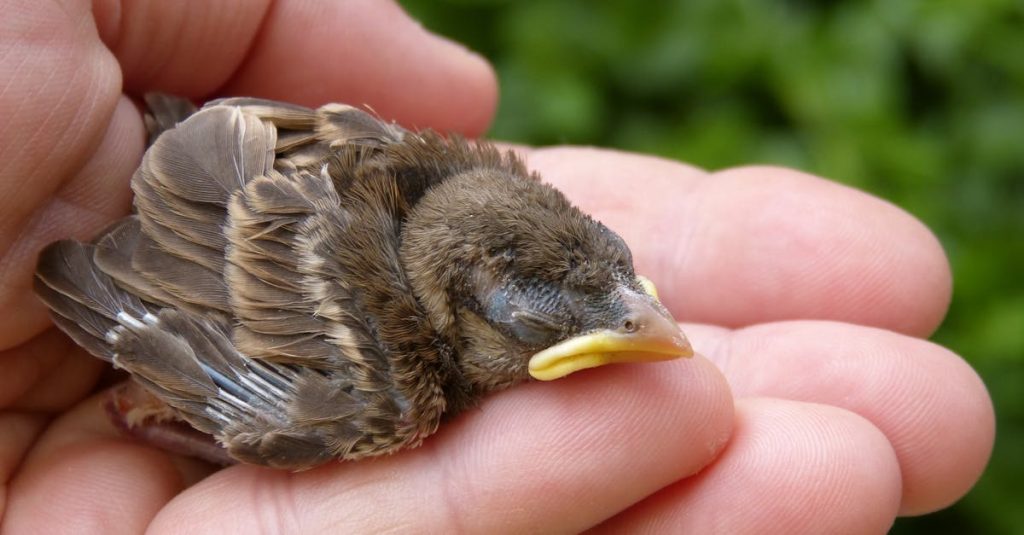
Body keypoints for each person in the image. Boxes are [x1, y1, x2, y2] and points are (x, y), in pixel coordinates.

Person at [0, 1, 994, 532]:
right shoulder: (394, 382)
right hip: (182, 221)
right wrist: (163, 381)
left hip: (229, 157)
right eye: (528, 318)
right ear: (460, 313)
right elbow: (229, 369)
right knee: (325, 416)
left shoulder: (474, 188)